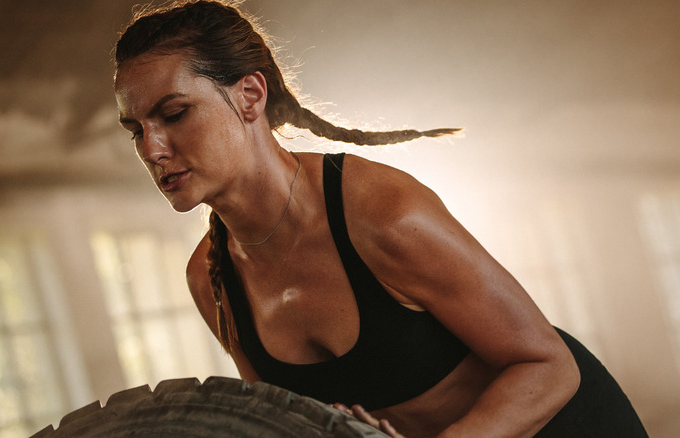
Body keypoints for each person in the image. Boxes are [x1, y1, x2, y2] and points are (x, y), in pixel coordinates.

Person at [112, 1, 648, 437]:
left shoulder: (381, 213)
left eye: (174, 114)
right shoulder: (211, 280)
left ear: (250, 96)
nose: (153, 148)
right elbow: (282, 426)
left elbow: (549, 367)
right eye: (136, 130)